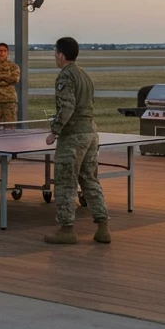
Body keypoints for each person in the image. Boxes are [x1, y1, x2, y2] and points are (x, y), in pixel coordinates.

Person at [43, 37, 110, 245]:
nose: (55, 56)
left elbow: (67, 107)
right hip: (90, 133)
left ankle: (66, 229)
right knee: (90, 180)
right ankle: (102, 228)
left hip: (73, 136)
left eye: (55, 53)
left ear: (61, 55)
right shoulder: (84, 75)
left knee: (65, 182)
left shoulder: (65, 76)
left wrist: (55, 131)